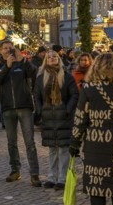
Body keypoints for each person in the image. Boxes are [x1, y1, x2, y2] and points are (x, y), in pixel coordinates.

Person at [70, 53, 113, 205]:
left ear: (96, 68)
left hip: (96, 144)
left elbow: (80, 119)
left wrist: (74, 142)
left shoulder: (88, 89)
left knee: (97, 188)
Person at [0, 40, 41, 187]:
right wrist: (7, 66)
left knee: (29, 142)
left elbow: (34, 73)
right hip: (7, 107)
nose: (8, 50)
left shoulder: (22, 63)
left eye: (10, 48)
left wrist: (24, 60)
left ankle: (34, 174)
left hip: (24, 106)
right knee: (11, 142)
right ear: (1, 51)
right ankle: (15, 170)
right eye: (5, 48)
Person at [35, 50, 79, 190]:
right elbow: (36, 96)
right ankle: (51, 177)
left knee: (63, 149)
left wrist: (67, 109)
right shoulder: (41, 78)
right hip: (48, 116)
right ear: (46, 60)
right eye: (49, 57)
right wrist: (41, 110)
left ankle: (62, 178)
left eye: (55, 56)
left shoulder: (67, 77)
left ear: (59, 59)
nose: (52, 58)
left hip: (63, 117)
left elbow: (74, 95)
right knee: (52, 149)